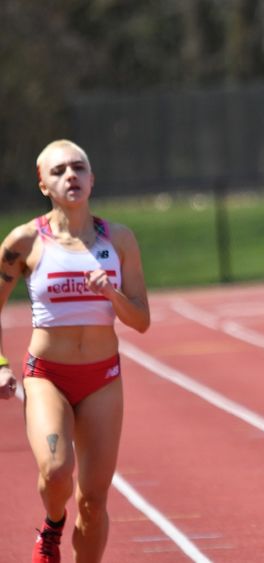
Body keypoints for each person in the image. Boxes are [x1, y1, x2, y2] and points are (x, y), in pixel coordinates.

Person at [0, 139, 150, 562]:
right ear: (43, 184)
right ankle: (51, 527)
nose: (71, 176)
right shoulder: (24, 242)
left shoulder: (118, 239)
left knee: (94, 503)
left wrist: (113, 294)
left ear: (92, 178)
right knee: (56, 471)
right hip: (48, 375)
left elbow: (141, 320)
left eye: (79, 168)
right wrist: (0, 364)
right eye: (60, 170)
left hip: (102, 379)